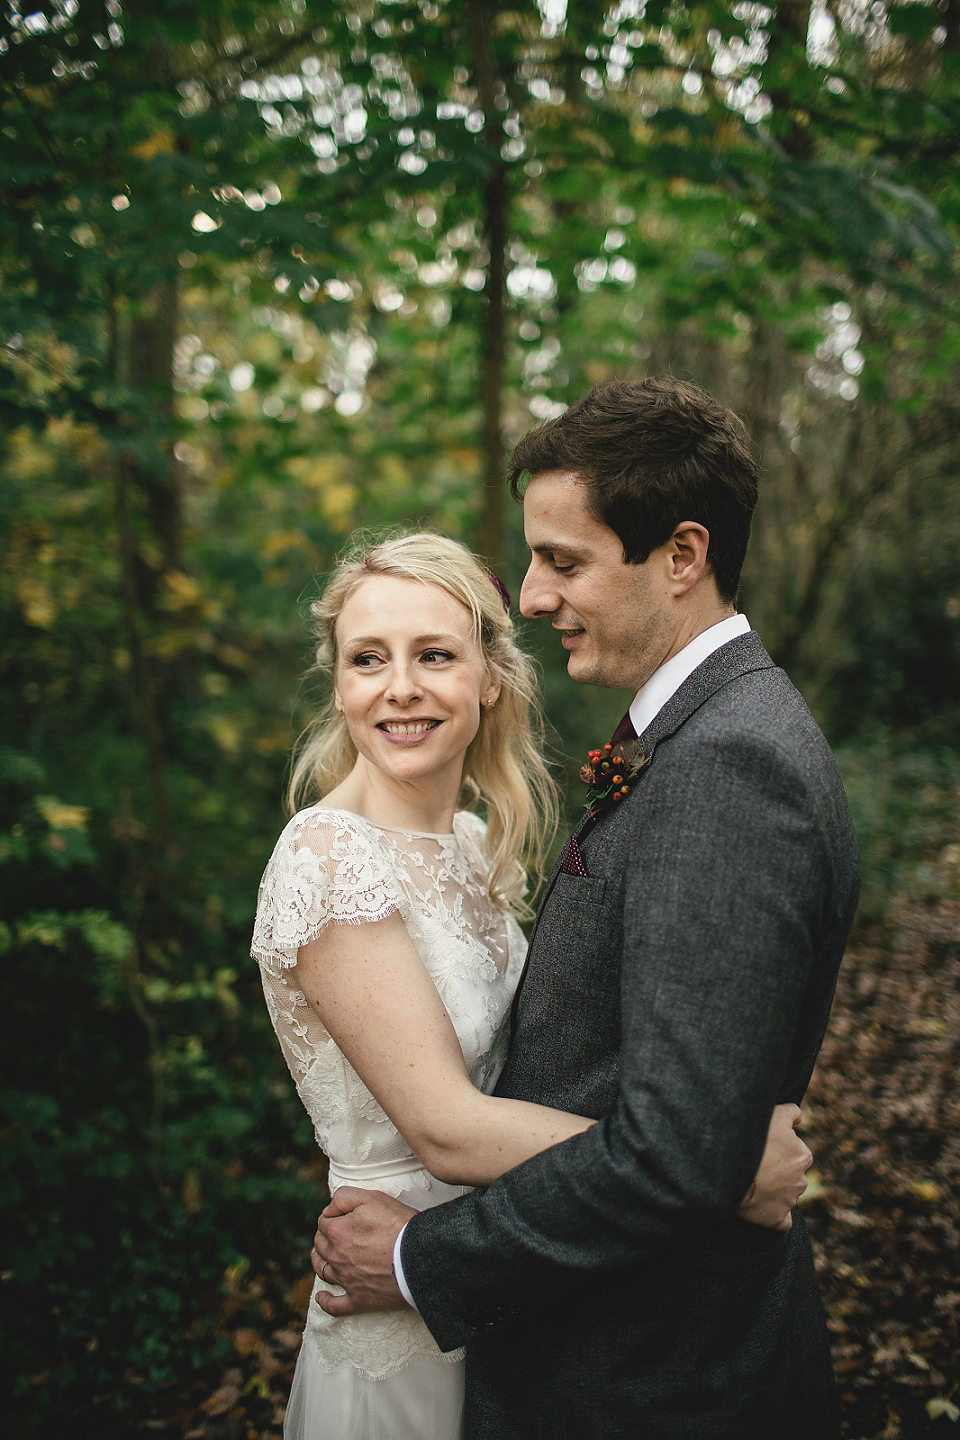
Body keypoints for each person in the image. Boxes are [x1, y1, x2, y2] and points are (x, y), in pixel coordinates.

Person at [310, 379, 861, 1440]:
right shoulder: (700, 737)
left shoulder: (729, 764)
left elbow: (671, 1154)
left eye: (564, 561)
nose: (531, 596)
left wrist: (424, 1259)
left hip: (651, 1379)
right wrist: (722, 1160)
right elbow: (679, 1127)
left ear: (683, 556)